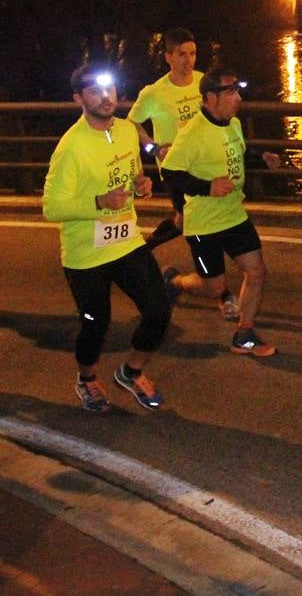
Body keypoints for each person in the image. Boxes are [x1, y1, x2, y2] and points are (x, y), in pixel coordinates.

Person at [43, 63, 171, 413]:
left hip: (126, 239)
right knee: (95, 323)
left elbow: (132, 174)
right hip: (86, 253)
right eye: (94, 91)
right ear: (78, 98)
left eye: (109, 89)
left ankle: (131, 372)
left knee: (159, 310)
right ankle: (86, 378)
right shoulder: (71, 147)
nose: (105, 96)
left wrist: (141, 185)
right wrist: (98, 202)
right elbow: (51, 207)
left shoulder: (129, 130)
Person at [161, 66, 280, 358]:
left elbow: (235, 154)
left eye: (238, 91)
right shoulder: (192, 134)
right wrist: (207, 186)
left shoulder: (233, 124)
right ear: (211, 98)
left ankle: (244, 333)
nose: (238, 98)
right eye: (231, 93)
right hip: (204, 224)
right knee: (215, 288)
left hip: (234, 215)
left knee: (256, 272)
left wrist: (259, 158)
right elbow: (170, 173)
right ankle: (173, 281)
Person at [127, 27, 239, 321]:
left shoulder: (205, 82)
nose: (188, 60)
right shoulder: (154, 92)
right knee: (196, 224)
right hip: (178, 170)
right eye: (181, 54)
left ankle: (143, 251)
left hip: (207, 167)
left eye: (192, 53)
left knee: (184, 219)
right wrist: (152, 148)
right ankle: (219, 291)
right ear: (168, 57)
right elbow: (131, 124)